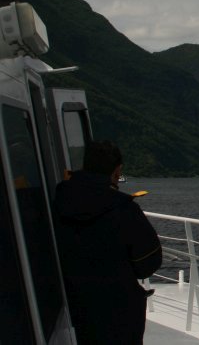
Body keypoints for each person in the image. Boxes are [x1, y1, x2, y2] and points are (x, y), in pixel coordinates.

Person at [53, 140, 162, 344]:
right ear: (116, 170)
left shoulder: (57, 200)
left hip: (74, 302)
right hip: (117, 309)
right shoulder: (124, 209)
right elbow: (148, 262)